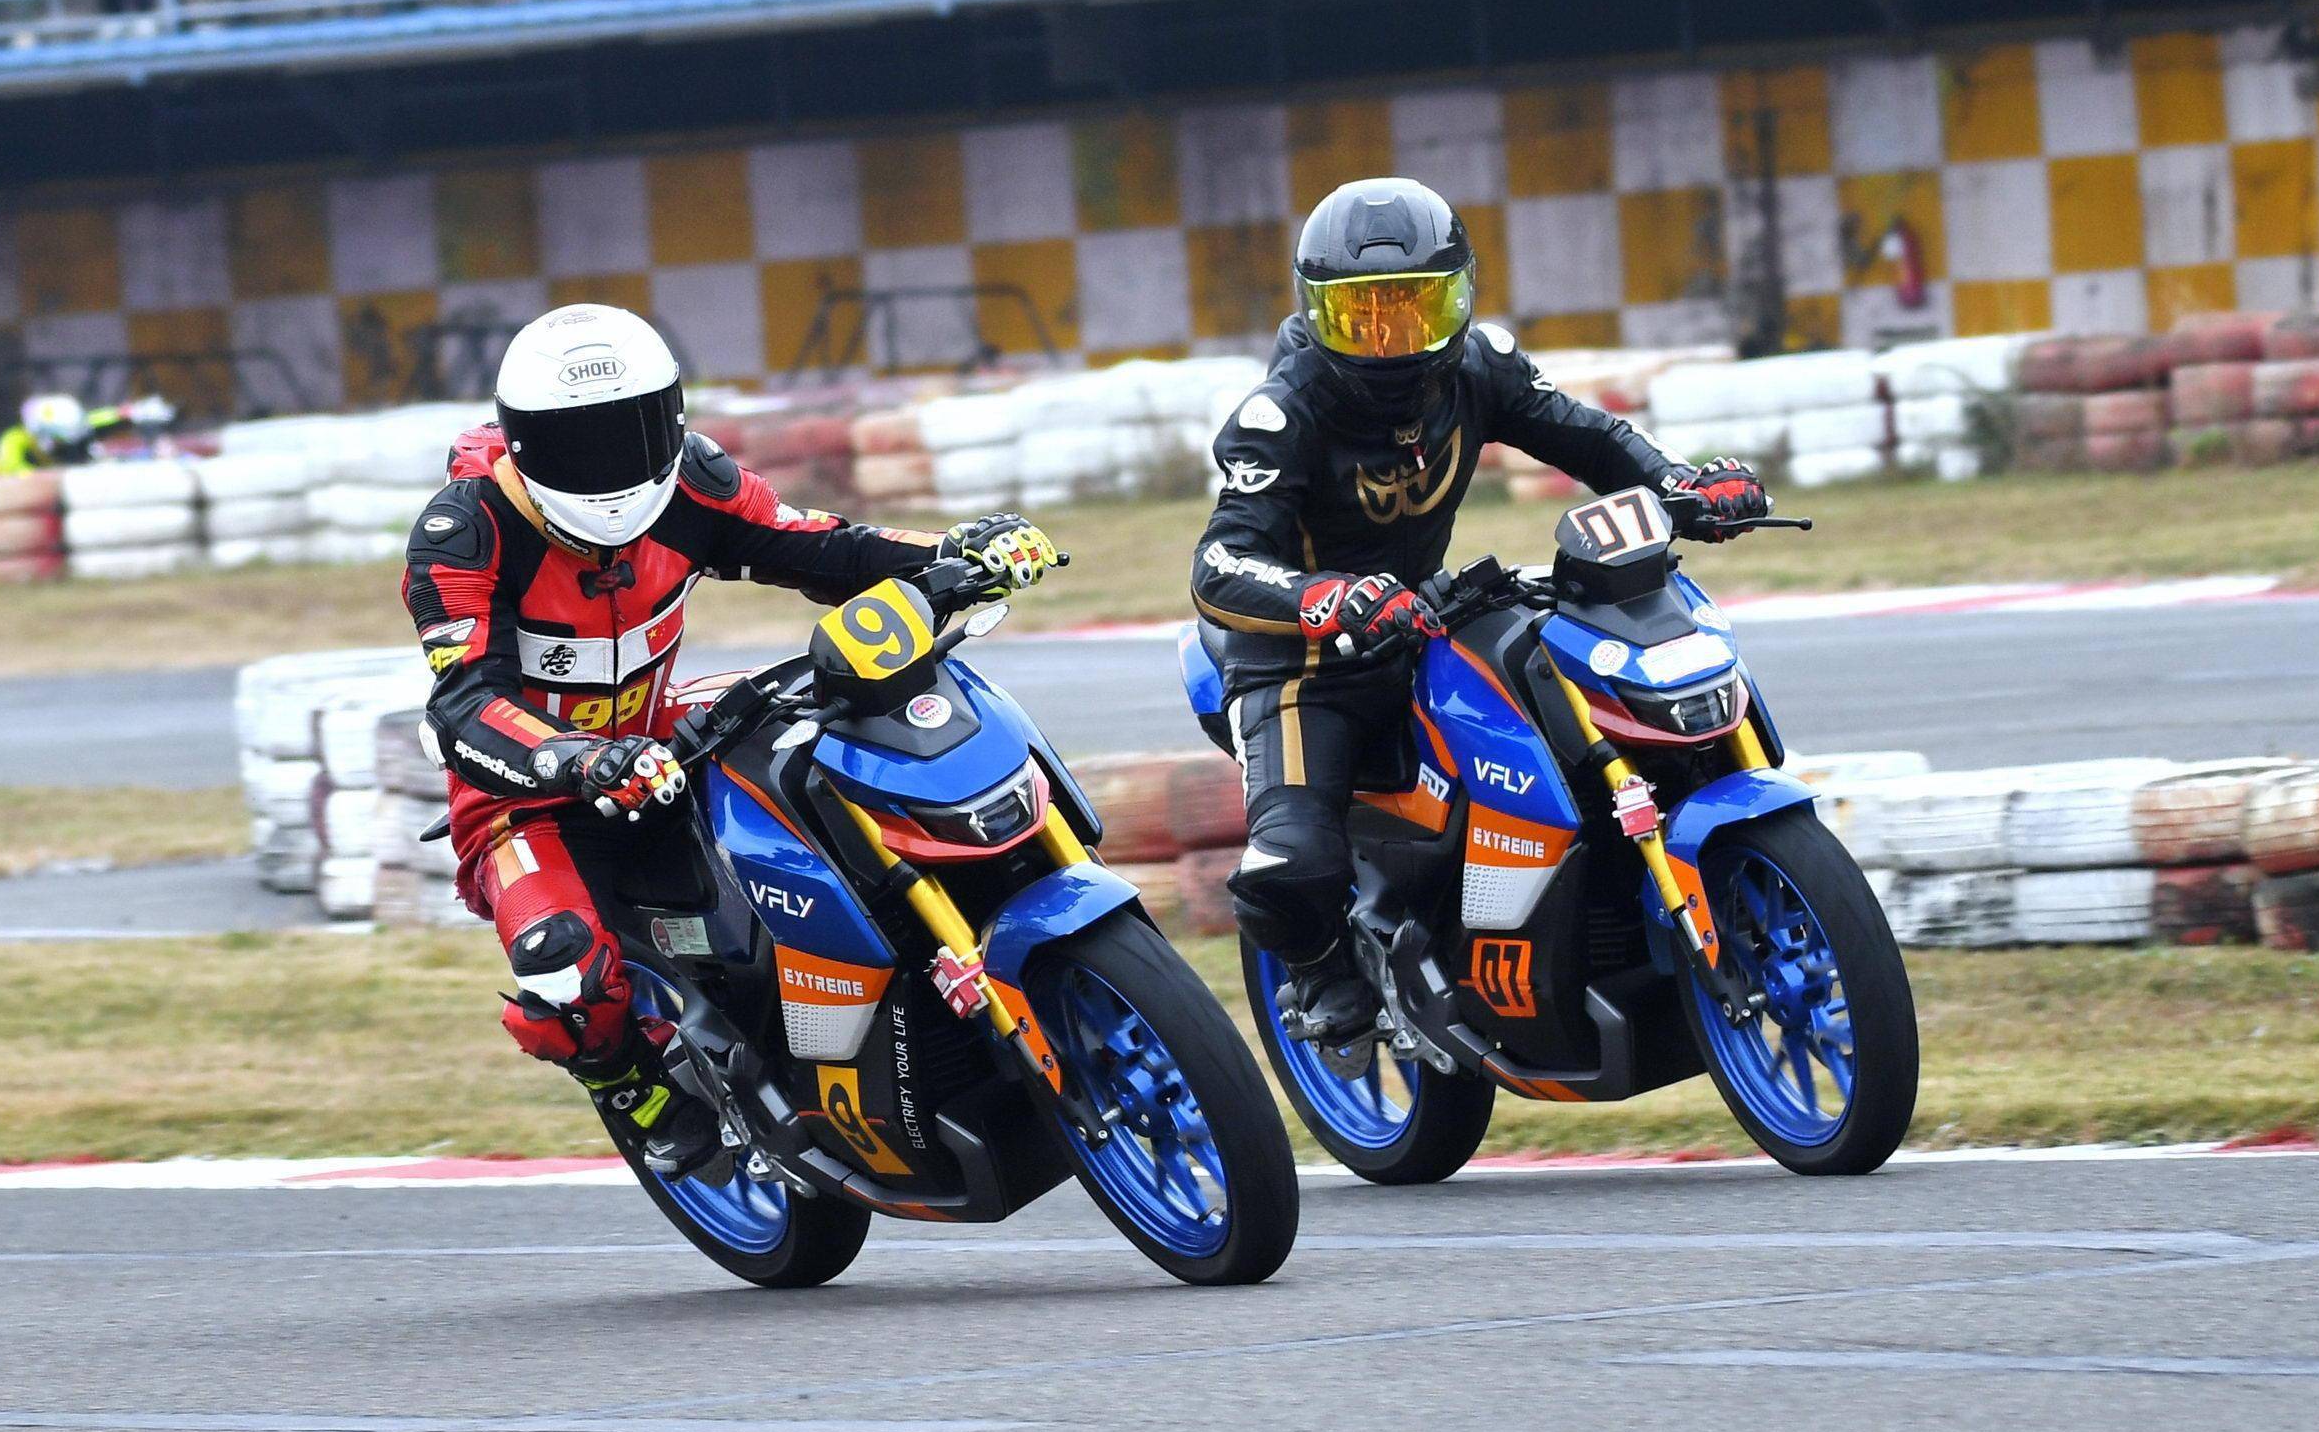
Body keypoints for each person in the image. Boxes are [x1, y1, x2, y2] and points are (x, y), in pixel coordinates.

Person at [405, 305, 1064, 1169]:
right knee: (561, 967)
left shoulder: (692, 484)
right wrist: (582, 759)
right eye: (579, 447)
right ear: (524, 444)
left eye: (632, 434)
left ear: (673, 417)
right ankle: (629, 1083)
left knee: (823, 735)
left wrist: (957, 552)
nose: (611, 470)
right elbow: (463, 705)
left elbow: (819, 547)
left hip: (661, 731)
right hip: (524, 795)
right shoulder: (466, 533)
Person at [1190, 183, 1766, 1063]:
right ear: (1314, 311)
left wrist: (1677, 482)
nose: (1392, 340)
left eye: (1415, 309)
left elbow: (1587, 436)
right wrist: (1327, 598)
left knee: (1569, 689)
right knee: (1295, 862)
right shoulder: (1278, 417)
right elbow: (1220, 565)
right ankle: (1321, 974)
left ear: (1461, 294)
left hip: (1422, 612)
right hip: (1302, 664)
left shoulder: (1479, 365)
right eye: (1362, 317)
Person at [0, 392, 174, 471]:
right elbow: (10, 470)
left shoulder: (79, 426)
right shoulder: (15, 443)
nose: (73, 444)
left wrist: (133, 412)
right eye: (63, 441)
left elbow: (98, 419)